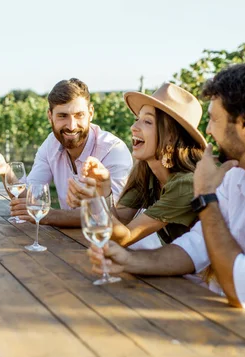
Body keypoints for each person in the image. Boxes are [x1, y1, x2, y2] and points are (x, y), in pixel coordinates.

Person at [89, 62, 245, 344]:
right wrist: (132, 260)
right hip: (238, 328)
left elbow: (244, 287)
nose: (208, 130)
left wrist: (206, 196)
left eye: (214, 119)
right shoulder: (237, 175)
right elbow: (194, 247)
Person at [0, 78, 133, 227]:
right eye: (63, 116)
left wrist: (49, 216)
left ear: (90, 113)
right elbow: (31, 199)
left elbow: (116, 217)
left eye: (79, 115)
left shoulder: (113, 150)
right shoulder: (51, 144)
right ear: (50, 116)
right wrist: (7, 171)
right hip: (79, 244)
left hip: (129, 250)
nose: (71, 126)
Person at [67, 83, 206, 248]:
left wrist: (94, 202)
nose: (134, 127)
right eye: (136, 119)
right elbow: (118, 226)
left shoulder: (185, 184)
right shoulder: (145, 173)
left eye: (147, 121)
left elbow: (125, 237)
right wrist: (104, 189)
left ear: (171, 135)